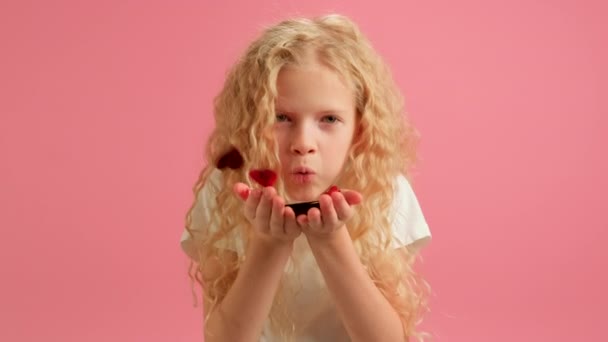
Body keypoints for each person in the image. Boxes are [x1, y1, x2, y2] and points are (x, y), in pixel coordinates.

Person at [180, 13, 432, 342]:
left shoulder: (381, 187)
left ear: (359, 127)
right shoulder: (226, 188)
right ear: (252, 122)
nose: (302, 144)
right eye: (281, 117)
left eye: (328, 119)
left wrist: (332, 241)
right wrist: (269, 245)